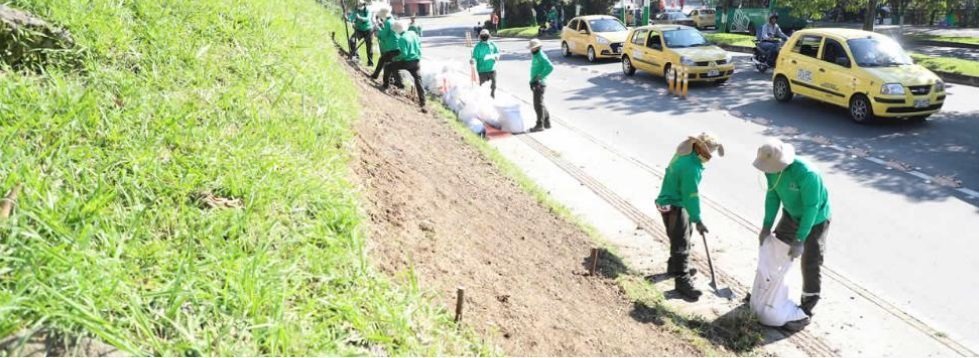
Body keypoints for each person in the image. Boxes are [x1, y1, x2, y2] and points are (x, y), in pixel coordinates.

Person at [753, 139, 831, 318]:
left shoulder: (807, 174)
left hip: (816, 219)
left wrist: (800, 239)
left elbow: (811, 207)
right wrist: (766, 226)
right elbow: (773, 196)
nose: (768, 171)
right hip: (790, 214)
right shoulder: (770, 170)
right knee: (775, 251)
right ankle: (765, 293)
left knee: (810, 261)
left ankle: (807, 306)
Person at [655, 133, 724, 301]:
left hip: (669, 200)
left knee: (680, 236)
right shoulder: (691, 168)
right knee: (682, 243)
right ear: (699, 148)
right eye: (709, 152)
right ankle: (682, 280)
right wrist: (698, 219)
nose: (710, 156)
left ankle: (674, 266)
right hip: (674, 204)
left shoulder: (685, 152)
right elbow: (691, 196)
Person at [386, 20, 427, 113]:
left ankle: (385, 85)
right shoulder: (412, 33)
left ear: (397, 31)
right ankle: (423, 102)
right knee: (418, 80)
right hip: (416, 61)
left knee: (389, 67)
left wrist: (396, 58)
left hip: (407, 62)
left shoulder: (402, 39)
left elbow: (403, 54)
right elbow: (419, 46)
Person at [371, 7, 402, 87]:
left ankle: (383, 80)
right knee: (391, 64)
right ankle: (398, 83)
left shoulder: (388, 23)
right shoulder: (392, 21)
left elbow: (384, 35)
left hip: (392, 47)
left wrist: (378, 31)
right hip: (396, 46)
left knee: (384, 61)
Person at [527, 38, 553, 132]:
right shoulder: (536, 55)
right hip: (536, 82)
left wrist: (540, 76)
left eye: (532, 48)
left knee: (537, 105)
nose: (531, 50)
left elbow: (550, 67)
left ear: (537, 47)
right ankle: (547, 122)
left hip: (539, 84)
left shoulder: (540, 55)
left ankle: (540, 124)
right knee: (540, 103)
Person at [471, 29, 501, 98]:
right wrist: (472, 60)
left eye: (486, 35)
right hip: (482, 70)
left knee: (494, 85)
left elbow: (497, 53)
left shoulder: (492, 44)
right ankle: (483, 100)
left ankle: (492, 97)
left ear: (489, 36)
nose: (484, 37)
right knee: (482, 87)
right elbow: (474, 57)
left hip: (492, 69)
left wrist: (497, 57)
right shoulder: (478, 47)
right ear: (480, 37)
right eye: (483, 36)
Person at [349, 0, 375, 66]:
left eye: (360, 6)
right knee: (352, 40)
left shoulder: (368, 10)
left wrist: (360, 18)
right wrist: (348, 18)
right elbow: (351, 17)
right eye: (358, 6)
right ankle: (356, 57)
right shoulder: (356, 10)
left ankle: (370, 63)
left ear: (364, 5)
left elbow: (367, 18)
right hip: (359, 30)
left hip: (368, 30)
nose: (359, 7)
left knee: (369, 47)